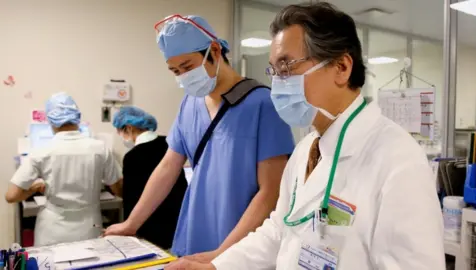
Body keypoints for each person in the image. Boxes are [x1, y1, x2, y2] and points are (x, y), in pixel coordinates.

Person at [166, 2, 445, 270]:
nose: (277, 83)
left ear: (341, 67)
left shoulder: (398, 160)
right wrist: (219, 265)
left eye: (287, 67)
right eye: (274, 70)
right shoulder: (306, 150)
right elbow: (279, 230)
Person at [104, 14, 295, 262]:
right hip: (193, 236)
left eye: (187, 66)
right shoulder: (190, 104)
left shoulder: (262, 104)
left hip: (240, 247)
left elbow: (271, 191)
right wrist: (131, 223)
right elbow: (167, 167)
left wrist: (222, 254)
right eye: (175, 70)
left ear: (214, 51)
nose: (183, 76)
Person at [5, 92, 122, 246]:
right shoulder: (100, 149)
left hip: (52, 230)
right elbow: (119, 190)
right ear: (77, 117)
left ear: (51, 121)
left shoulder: (41, 151)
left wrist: (34, 189)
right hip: (89, 227)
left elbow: (11, 196)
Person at [112, 106, 187, 249]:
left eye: (120, 132)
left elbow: (131, 201)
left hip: (152, 232)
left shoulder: (133, 157)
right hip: (179, 226)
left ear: (128, 128)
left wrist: (128, 229)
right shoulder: (169, 144)